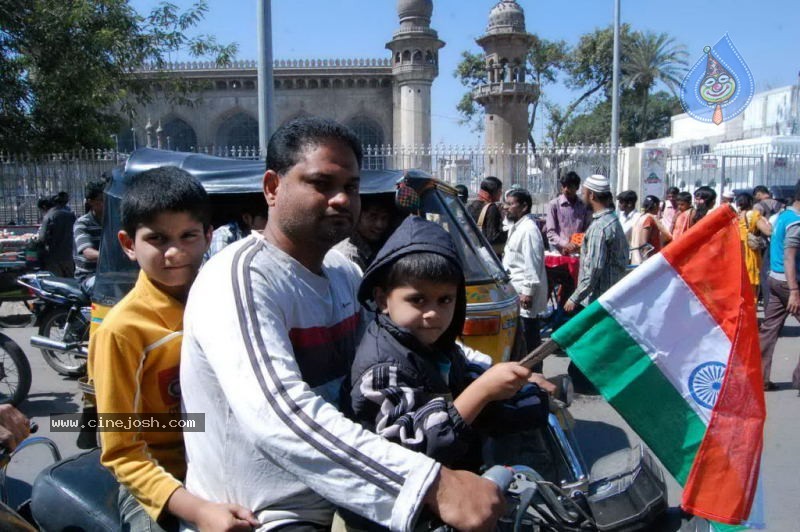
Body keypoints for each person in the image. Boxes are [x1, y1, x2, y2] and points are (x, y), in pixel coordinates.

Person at [180, 117, 504, 531]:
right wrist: (431, 486)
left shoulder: (343, 272)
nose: (340, 199)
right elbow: (281, 414)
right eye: (321, 184)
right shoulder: (241, 277)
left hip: (347, 501)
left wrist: (493, 374)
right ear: (272, 188)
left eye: (350, 187)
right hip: (268, 516)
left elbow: (407, 339)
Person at [342, 215, 551, 530]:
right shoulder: (382, 368)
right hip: (400, 512)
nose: (432, 313)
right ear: (384, 299)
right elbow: (410, 448)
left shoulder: (440, 348)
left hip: (448, 487)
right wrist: (483, 391)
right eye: (418, 300)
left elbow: (471, 384)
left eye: (444, 300)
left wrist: (525, 394)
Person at [88, 167, 258, 531]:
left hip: (226, 464)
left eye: (188, 236)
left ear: (209, 236)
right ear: (129, 244)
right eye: (158, 239)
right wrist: (197, 510)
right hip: (160, 483)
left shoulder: (228, 303)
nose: (175, 252)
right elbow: (122, 451)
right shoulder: (123, 331)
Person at [564, 175, 629, 314]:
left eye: (584, 192)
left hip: (598, 301)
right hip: (611, 297)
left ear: (592, 195)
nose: (581, 195)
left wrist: (574, 298)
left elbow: (594, 269)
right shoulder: (612, 220)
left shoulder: (599, 228)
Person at [759, 180, 800, 393]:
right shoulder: (796, 223)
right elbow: (789, 257)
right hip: (789, 282)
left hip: (774, 279)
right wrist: (794, 291)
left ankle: (759, 378)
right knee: (769, 329)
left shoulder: (783, 216)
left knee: (769, 330)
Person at [502, 189, 548, 369]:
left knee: (529, 340)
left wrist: (527, 292)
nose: (506, 207)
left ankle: (535, 377)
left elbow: (532, 263)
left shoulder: (529, 230)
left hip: (524, 293)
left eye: (511, 204)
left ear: (524, 206)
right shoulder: (517, 227)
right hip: (515, 291)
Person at [334, 194, 395, 271]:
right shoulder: (350, 255)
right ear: (357, 215)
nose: (379, 225)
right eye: (373, 216)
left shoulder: (373, 246)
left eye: (384, 218)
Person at [204, 195, 267, 261]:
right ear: (247, 218)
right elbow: (221, 268)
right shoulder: (224, 236)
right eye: (264, 218)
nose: (268, 222)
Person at [545, 171, 592, 255]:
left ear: (577, 187)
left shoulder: (583, 206)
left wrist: (578, 244)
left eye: (570, 186)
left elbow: (587, 230)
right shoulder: (554, 205)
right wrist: (565, 244)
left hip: (578, 251)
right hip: (559, 252)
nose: (566, 189)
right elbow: (551, 233)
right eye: (564, 186)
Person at [737, 193, 772, 299]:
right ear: (751, 202)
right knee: (751, 285)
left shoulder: (735, 215)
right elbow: (768, 231)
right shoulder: (753, 215)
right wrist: (768, 223)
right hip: (750, 253)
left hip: (737, 252)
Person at [73, 179, 106, 290]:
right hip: (89, 276)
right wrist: (111, 257)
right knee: (104, 290)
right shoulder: (82, 223)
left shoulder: (114, 222)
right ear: (90, 201)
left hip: (112, 274)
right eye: (101, 200)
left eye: (107, 199)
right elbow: (88, 252)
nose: (105, 203)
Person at [754, 185, 783, 308]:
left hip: (765, 246)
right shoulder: (781, 206)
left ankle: (768, 306)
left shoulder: (758, 206)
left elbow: (755, 224)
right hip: (780, 244)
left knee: (765, 277)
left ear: (759, 194)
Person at [37, 191, 76, 277]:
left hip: (54, 258)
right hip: (69, 256)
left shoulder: (49, 216)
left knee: (57, 284)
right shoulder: (70, 215)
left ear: (44, 207)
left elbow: (42, 238)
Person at [466, 176, 506, 254]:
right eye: (500, 190)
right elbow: (493, 237)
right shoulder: (492, 208)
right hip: (488, 256)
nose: (501, 193)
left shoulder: (471, 205)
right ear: (494, 191)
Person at [630, 195, 671, 265]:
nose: (659, 209)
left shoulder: (639, 217)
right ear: (655, 206)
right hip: (645, 260)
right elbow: (644, 243)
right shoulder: (649, 219)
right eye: (658, 206)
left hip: (636, 258)